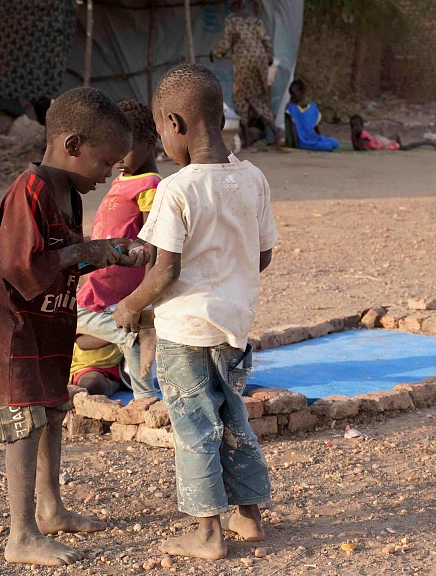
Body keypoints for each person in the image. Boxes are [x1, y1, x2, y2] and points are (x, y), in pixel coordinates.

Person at [0, 87, 150, 566]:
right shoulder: (30, 190)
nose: (107, 176)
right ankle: (21, 535)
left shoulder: (69, 194)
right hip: (9, 331)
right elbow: (20, 267)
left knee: (52, 412)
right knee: (23, 423)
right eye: (105, 164)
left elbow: (60, 261)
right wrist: (86, 252)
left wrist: (107, 254)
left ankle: (50, 509)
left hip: (43, 324)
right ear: (73, 145)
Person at [112, 64, 277, 560]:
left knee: (193, 426)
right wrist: (231, 275)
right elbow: (263, 253)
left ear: (175, 123)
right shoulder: (252, 177)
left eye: (161, 130)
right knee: (233, 418)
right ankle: (249, 517)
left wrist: (129, 305)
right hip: (234, 325)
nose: (162, 141)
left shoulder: (177, 189)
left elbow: (164, 271)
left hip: (185, 331)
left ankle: (207, 534)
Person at [71, 99, 161, 399]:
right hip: (102, 284)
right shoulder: (125, 178)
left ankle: (145, 396)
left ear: (151, 143)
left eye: (127, 149)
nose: (119, 158)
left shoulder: (149, 183)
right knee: (101, 329)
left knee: (71, 316)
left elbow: (153, 240)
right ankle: (144, 394)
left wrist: (147, 296)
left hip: (117, 287)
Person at [210, 0, 282, 148]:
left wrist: (214, 53)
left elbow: (225, 43)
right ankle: (276, 133)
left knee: (241, 98)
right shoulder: (255, 21)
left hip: (244, 62)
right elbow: (266, 40)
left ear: (234, 5)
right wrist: (268, 57)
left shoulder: (231, 20)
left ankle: (246, 140)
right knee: (259, 97)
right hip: (260, 60)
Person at [285, 79, 338, 152]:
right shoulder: (291, 108)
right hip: (302, 141)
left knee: (335, 143)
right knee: (328, 146)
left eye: (293, 94)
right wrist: (296, 146)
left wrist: (319, 137)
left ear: (302, 92)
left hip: (311, 137)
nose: (291, 97)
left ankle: (318, 143)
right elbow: (292, 128)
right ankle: (317, 145)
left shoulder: (312, 106)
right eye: (290, 94)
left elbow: (315, 124)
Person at [349, 114, 436, 152]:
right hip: (378, 141)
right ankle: (432, 143)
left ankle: (432, 143)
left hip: (386, 144)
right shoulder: (358, 134)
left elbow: (358, 149)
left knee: (404, 147)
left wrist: (354, 135)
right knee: (403, 145)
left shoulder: (363, 135)